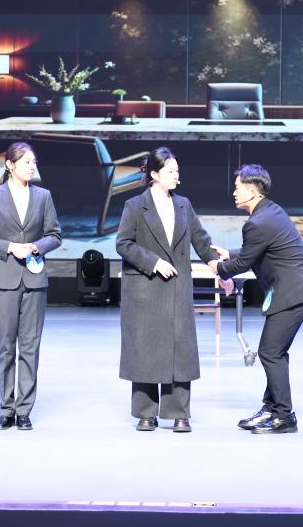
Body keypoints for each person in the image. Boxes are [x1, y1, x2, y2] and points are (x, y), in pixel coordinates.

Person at [115, 148, 230, 433]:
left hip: (177, 287)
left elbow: (201, 241)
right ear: (154, 175)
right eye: (170, 171)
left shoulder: (183, 204)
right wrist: (153, 262)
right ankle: (145, 412)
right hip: (145, 287)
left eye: (177, 171)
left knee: (180, 351)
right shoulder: (135, 206)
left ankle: (179, 412)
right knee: (144, 349)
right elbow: (123, 244)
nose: (176, 176)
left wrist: (220, 270)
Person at [211, 164, 303, 434]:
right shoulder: (270, 211)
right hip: (300, 290)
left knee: (270, 352)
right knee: (275, 352)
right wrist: (229, 253)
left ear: (252, 191)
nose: (234, 192)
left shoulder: (257, 223)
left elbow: (245, 262)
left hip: (293, 293)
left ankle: (284, 415)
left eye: (237, 187)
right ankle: (271, 407)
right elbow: (258, 248)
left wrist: (219, 268)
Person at [0, 141, 62, 431]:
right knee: (5, 347)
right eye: (26, 162)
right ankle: (6, 409)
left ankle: (24, 410)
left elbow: (55, 235)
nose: (32, 167)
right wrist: (10, 247)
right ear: (10, 165)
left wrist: (36, 246)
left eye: (34, 162)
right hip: (3, 280)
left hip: (34, 280)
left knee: (30, 347)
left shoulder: (43, 196)